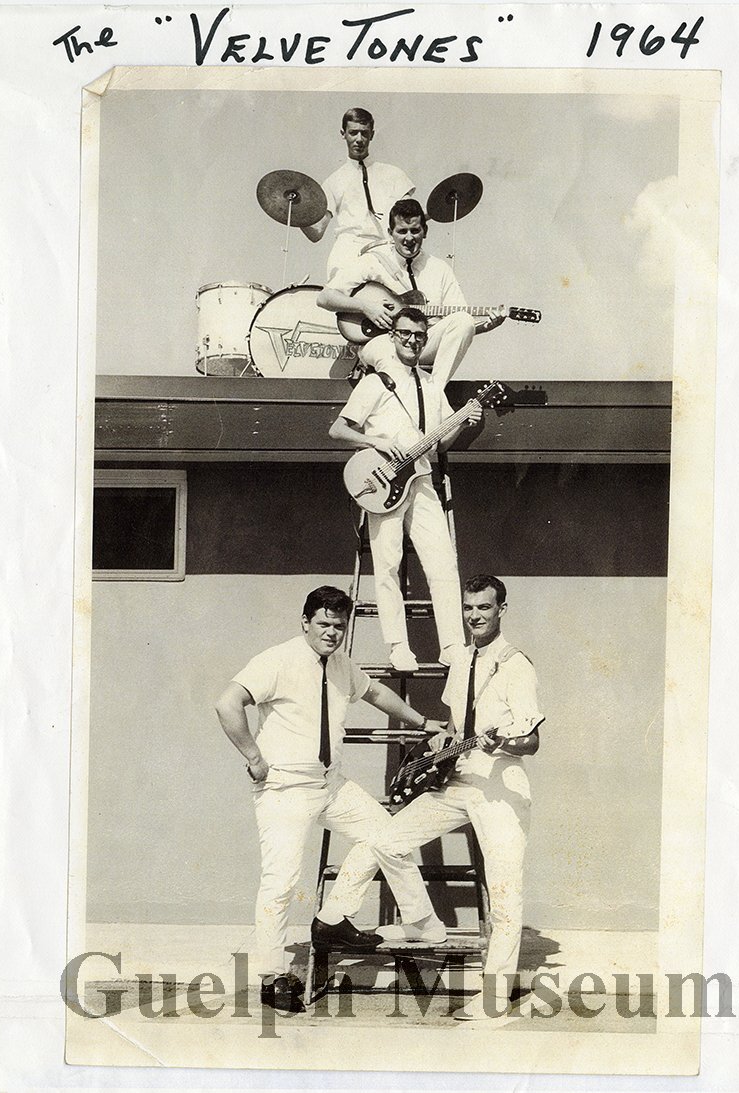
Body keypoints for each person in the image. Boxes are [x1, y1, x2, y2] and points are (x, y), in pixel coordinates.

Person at [317, 575, 543, 1022]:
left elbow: (531, 740)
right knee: (387, 840)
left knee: (504, 892)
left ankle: (495, 998)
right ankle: (424, 923)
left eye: (484, 608)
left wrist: (502, 743)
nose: (475, 616)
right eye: (469, 608)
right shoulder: (461, 659)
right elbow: (458, 724)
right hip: (458, 779)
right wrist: (442, 745)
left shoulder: (517, 665)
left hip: (500, 788)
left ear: (501, 610)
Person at [215, 585, 446, 1013]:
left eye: (339, 626)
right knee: (281, 881)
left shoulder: (340, 664)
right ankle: (271, 977)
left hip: (330, 783)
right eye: (323, 624)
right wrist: (254, 758)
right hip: (285, 786)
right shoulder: (277, 659)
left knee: (387, 835)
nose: (331, 633)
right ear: (305, 622)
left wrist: (422, 721)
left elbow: (376, 693)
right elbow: (227, 703)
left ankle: (333, 918)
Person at [329, 307, 482, 671]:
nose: (412, 341)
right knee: (388, 564)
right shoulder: (374, 383)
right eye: (405, 334)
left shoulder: (432, 386)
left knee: (443, 561)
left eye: (419, 335)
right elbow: (338, 429)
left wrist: (463, 420)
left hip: (421, 478)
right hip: (382, 481)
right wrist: (377, 442)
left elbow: (439, 444)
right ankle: (398, 646)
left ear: (425, 340)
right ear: (393, 336)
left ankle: (451, 645)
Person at [318, 197, 504, 388]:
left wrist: (485, 326)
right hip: (382, 342)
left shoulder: (439, 269)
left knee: (463, 320)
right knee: (387, 357)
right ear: (390, 233)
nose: (408, 238)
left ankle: (435, 392)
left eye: (415, 231)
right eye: (402, 231)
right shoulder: (373, 261)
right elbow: (325, 298)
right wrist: (366, 307)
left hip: (421, 342)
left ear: (425, 231)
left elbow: (458, 325)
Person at [301, 107, 415, 278]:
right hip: (346, 254)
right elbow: (316, 232)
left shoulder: (393, 174)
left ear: (372, 134)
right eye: (353, 133)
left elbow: (411, 218)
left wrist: (438, 210)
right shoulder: (333, 181)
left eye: (364, 133)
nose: (359, 139)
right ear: (343, 134)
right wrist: (295, 212)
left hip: (386, 253)